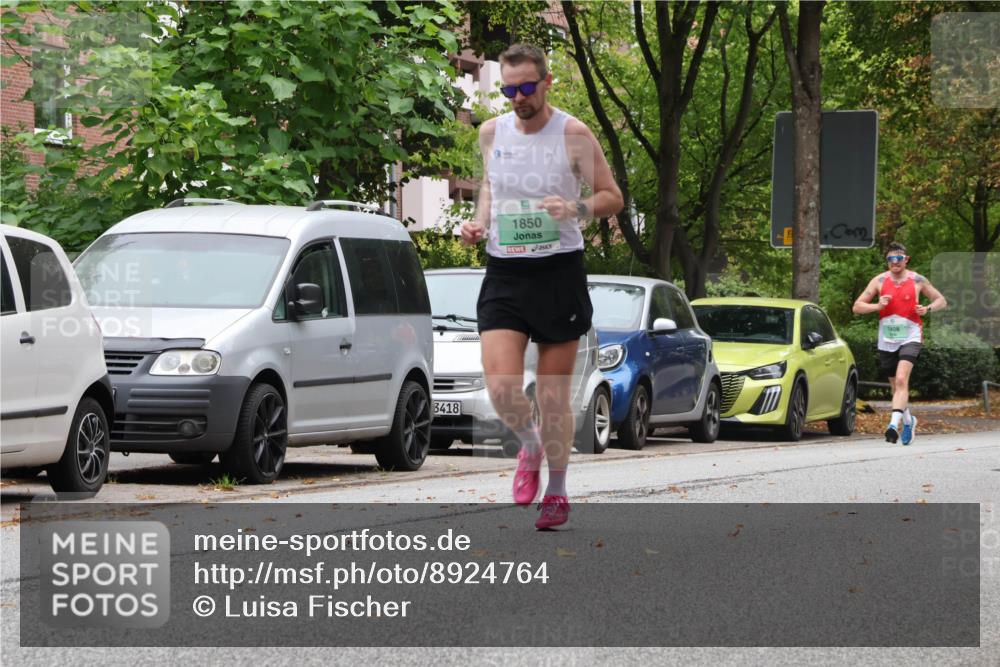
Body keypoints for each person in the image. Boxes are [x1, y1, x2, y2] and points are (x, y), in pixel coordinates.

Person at [461, 44, 623, 529]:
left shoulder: (573, 134)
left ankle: (557, 491)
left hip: (558, 271)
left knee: (553, 396)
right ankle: (528, 444)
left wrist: (575, 210)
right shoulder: (492, 132)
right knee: (501, 386)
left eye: (527, 88)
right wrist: (478, 222)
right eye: (510, 90)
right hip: (506, 271)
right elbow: (491, 187)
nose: (518, 98)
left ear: (547, 82)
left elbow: (611, 197)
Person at [852, 242, 947, 445]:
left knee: (902, 380)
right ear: (887, 261)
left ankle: (893, 425)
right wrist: (877, 305)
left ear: (906, 259)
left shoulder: (917, 280)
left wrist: (927, 309)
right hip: (887, 339)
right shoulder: (879, 281)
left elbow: (941, 300)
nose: (895, 262)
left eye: (899, 258)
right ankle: (908, 420)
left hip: (911, 335)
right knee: (896, 387)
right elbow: (857, 307)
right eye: (890, 259)